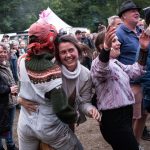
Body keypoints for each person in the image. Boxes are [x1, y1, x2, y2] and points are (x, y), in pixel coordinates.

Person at [17, 22, 100, 150]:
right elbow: (61, 109)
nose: (68, 55)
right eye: (63, 52)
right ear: (56, 53)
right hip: (50, 125)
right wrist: (20, 99)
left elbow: (84, 101)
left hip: (28, 125)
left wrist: (90, 109)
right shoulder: (51, 69)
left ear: (78, 51)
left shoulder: (23, 61)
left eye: (71, 50)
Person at [90, 26, 150, 150]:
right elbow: (102, 70)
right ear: (102, 46)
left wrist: (143, 50)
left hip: (125, 115)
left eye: (118, 40)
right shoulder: (97, 63)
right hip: (113, 119)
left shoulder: (115, 62)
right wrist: (106, 49)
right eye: (114, 41)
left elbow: (135, 71)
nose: (119, 43)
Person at [116, 0, 146, 145]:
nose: (136, 12)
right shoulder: (118, 33)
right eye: (132, 10)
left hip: (144, 81)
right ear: (123, 16)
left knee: (143, 116)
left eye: (137, 10)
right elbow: (113, 61)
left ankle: (137, 144)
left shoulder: (141, 31)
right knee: (131, 118)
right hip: (130, 84)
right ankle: (128, 146)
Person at [0, 42, 18, 150]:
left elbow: (11, 79)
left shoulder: (6, 64)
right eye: (0, 52)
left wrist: (14, 90)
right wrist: (9, 89)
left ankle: (10, 145)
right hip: (1, 104)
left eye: (4, 51)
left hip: (10, 102)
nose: (2, 54)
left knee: (9, 126)